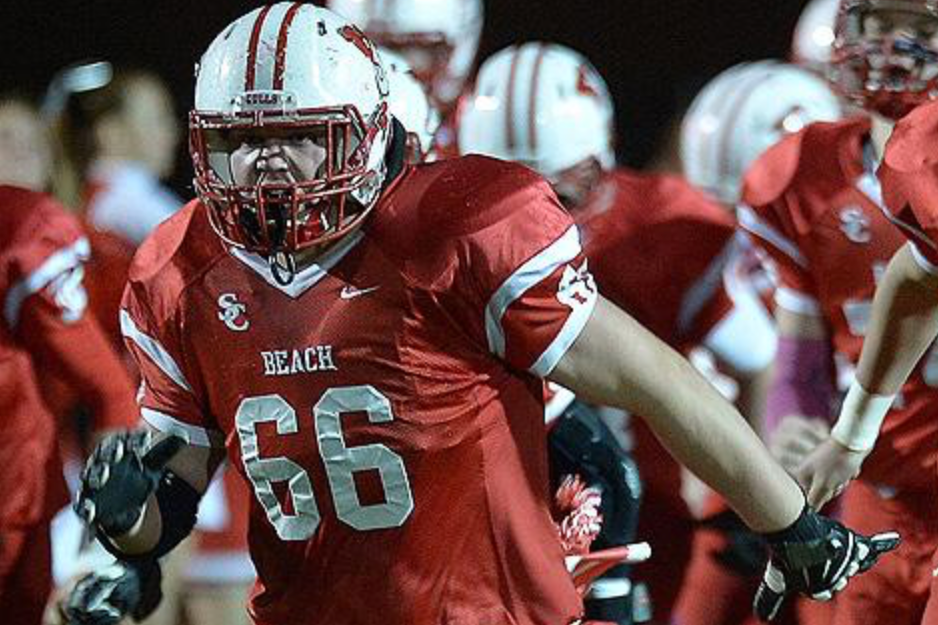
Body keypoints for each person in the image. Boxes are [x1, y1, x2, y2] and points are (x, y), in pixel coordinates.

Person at [63, 6, 896, 625]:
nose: (267, 165)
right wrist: (128, 518)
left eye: (300, 135)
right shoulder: (180, 270)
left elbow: (656, 381)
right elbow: (168, 504)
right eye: (240, 142)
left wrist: (786, 518)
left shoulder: (455, 228)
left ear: (364, 135)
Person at [459, 42, 781, 624]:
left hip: (636, 509)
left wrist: (747, 497)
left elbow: (756, 355)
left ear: (599, 162)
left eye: (560, 193)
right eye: (505, 193)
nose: (536, 214)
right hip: (483, 505)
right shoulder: (438, 240)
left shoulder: (654, 232)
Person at [738, 2, 938, 624]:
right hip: (880, 489)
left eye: (920, 30)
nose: (890, 48)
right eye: (876, 25)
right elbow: (803, 357)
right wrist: (798, 430)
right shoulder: (802, 178)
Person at [673, 59, 843, 625]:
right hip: (738, 477)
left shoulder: (861, 255)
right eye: (728, 212)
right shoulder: (716, 258)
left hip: (846, 482)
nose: (744, 237)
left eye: (755, 214)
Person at [0, 93, 138, 625]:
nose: (23, 154)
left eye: (32, 142)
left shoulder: (26, 229)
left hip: (22, 505)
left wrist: (95, 553)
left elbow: (113, 395)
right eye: (6, 139)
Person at [327, 0, 482, 158]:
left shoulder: (480, 130)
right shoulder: (333, 128)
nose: (398, 67)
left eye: (420, 55)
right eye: (379, 51)